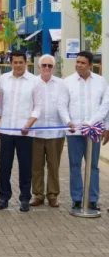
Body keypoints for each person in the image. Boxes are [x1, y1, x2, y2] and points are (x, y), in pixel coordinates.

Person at [59, 51, 109, 211]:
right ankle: (77, 199)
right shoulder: (67, 82)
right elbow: (62, 105)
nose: (78, 65)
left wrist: (94, 124)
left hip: (93, 132)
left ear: (90, 65)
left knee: (93, 166)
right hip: (74, 133)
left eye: (82, 63)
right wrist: (68, 121)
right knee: (75, 165)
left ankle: (93, 199)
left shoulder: (101, 82)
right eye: (77, 62)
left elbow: (105, 106)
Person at [0, 50, 42, 212]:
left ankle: (24, 199)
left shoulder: (35, 81)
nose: (18, 65)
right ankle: (3, 197)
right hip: (7, 129)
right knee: (4, 167)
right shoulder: (3, 79)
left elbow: (38, 107)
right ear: (11, 63)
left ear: (26, 62)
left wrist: (29, 123)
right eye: (15, 62)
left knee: (25, 167)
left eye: (20, 62)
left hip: (25, 132)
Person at [30, 55, 66, 208]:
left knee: (53, 165)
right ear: (39, 67)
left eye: (49, 66)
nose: (46, 68)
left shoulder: (61, 84)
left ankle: (52, 195)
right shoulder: (32, 83)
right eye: (43, 65)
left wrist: (68, 123)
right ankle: (38, 195)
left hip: (55, 133)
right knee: (36, 166)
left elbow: (64, 106)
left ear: (54, 68)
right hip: (36, 132)